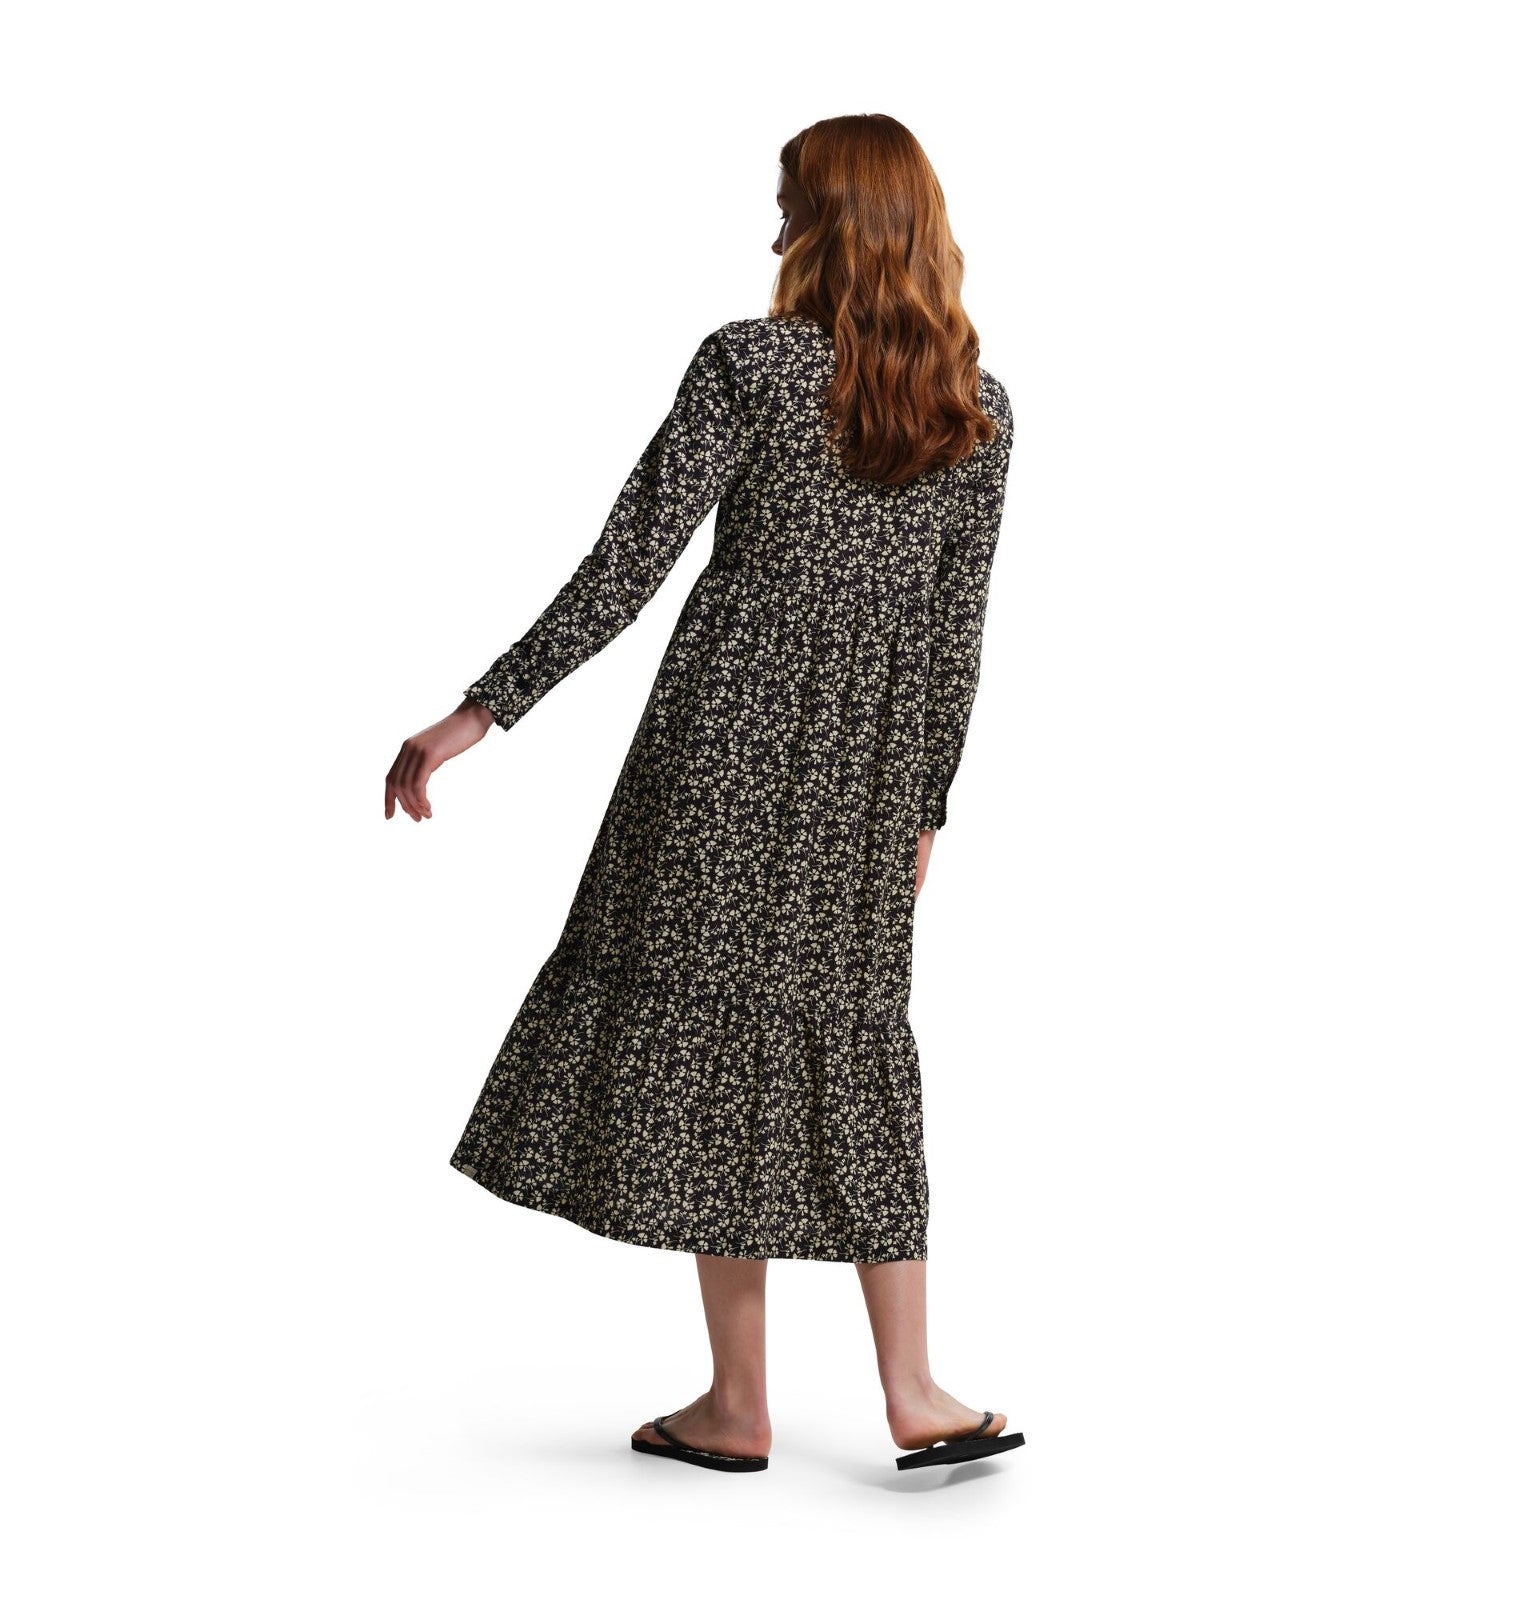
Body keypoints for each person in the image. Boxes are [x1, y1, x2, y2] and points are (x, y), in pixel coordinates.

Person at [386, 113, 1020, 1474]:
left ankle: (738, 1408)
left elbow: (629, 560)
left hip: (716, 757)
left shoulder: (751, 362)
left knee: (723, 1048)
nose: (774, 227)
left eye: (790, 203)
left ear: (837, 221)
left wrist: (482, 709)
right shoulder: (976, 407)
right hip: (862, 777)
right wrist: (922, 804)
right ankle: (912, 1392)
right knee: (855, 1044)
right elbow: (953, 638)